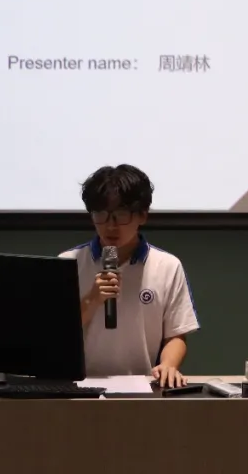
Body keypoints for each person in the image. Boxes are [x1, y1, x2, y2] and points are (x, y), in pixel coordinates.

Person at [59, 164, 199, 388]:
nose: (110, 225)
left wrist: (168, 365)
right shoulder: (68, 262)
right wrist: (91, 300)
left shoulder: (167, 266)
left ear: (142, 215)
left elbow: (176, 335)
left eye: (121, 215)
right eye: (101, 214)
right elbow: (56, 334)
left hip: (142, 386)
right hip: (80, 386)